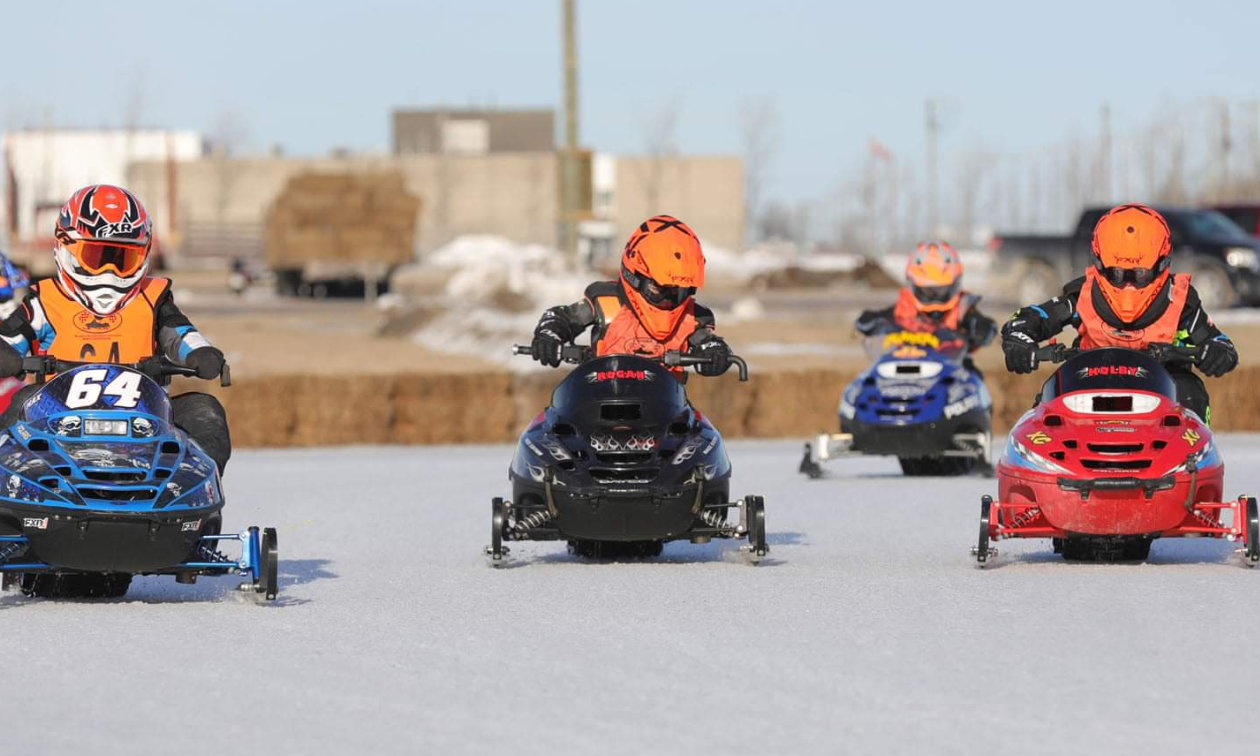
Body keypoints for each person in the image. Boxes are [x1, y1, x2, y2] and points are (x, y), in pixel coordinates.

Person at [0, 184, 232, 470]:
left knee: (205, 412)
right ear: (67, 248)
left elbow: (182, 335)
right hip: (54, 420)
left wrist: (201, 354)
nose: (109, 271)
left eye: (122, 259)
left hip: (147, 419)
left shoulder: (154, 300)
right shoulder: (46, 301)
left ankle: (191, 491)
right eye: (97, 257)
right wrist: (6, 355)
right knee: (19, 406)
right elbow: (10, 338)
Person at [1001, 203, 1237, 422]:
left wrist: (1215, 353)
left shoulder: (1181, 302)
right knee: (1046, 406)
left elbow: (1221, 344)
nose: (1128, 285)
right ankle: (1044, 464)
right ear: (1100, 265)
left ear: (1162, 265)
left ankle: (1191, 460)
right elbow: (1030, 317)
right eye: (1117, 274)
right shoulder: (1082, 294)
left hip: (1163, 399)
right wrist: (1018, 339)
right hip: (1088, 384)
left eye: (1140, 274)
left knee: (1190, 392)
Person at [529, 214, 733, 379]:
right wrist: (549, 335)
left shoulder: (692, 318)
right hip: (599, 402)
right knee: (547, 427)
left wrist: (716, 353)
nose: (668, 300)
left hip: (664, 412)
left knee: (705, 431)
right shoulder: (606, 302)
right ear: (633, 275)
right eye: (660, 289)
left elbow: (710, 342)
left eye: (679, 292)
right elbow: (562, 317)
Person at [855, 241, 997, 364]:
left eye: (940, 290)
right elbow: (883, 317)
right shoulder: (904, 307)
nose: (934, 296)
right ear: (912, 284)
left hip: (951, 374)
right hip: (903, 371)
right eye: (927, 290)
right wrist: (869, 321)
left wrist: (983, 329)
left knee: (974, 380)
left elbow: (988, 327)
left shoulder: (963, 310)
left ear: (955, 283)